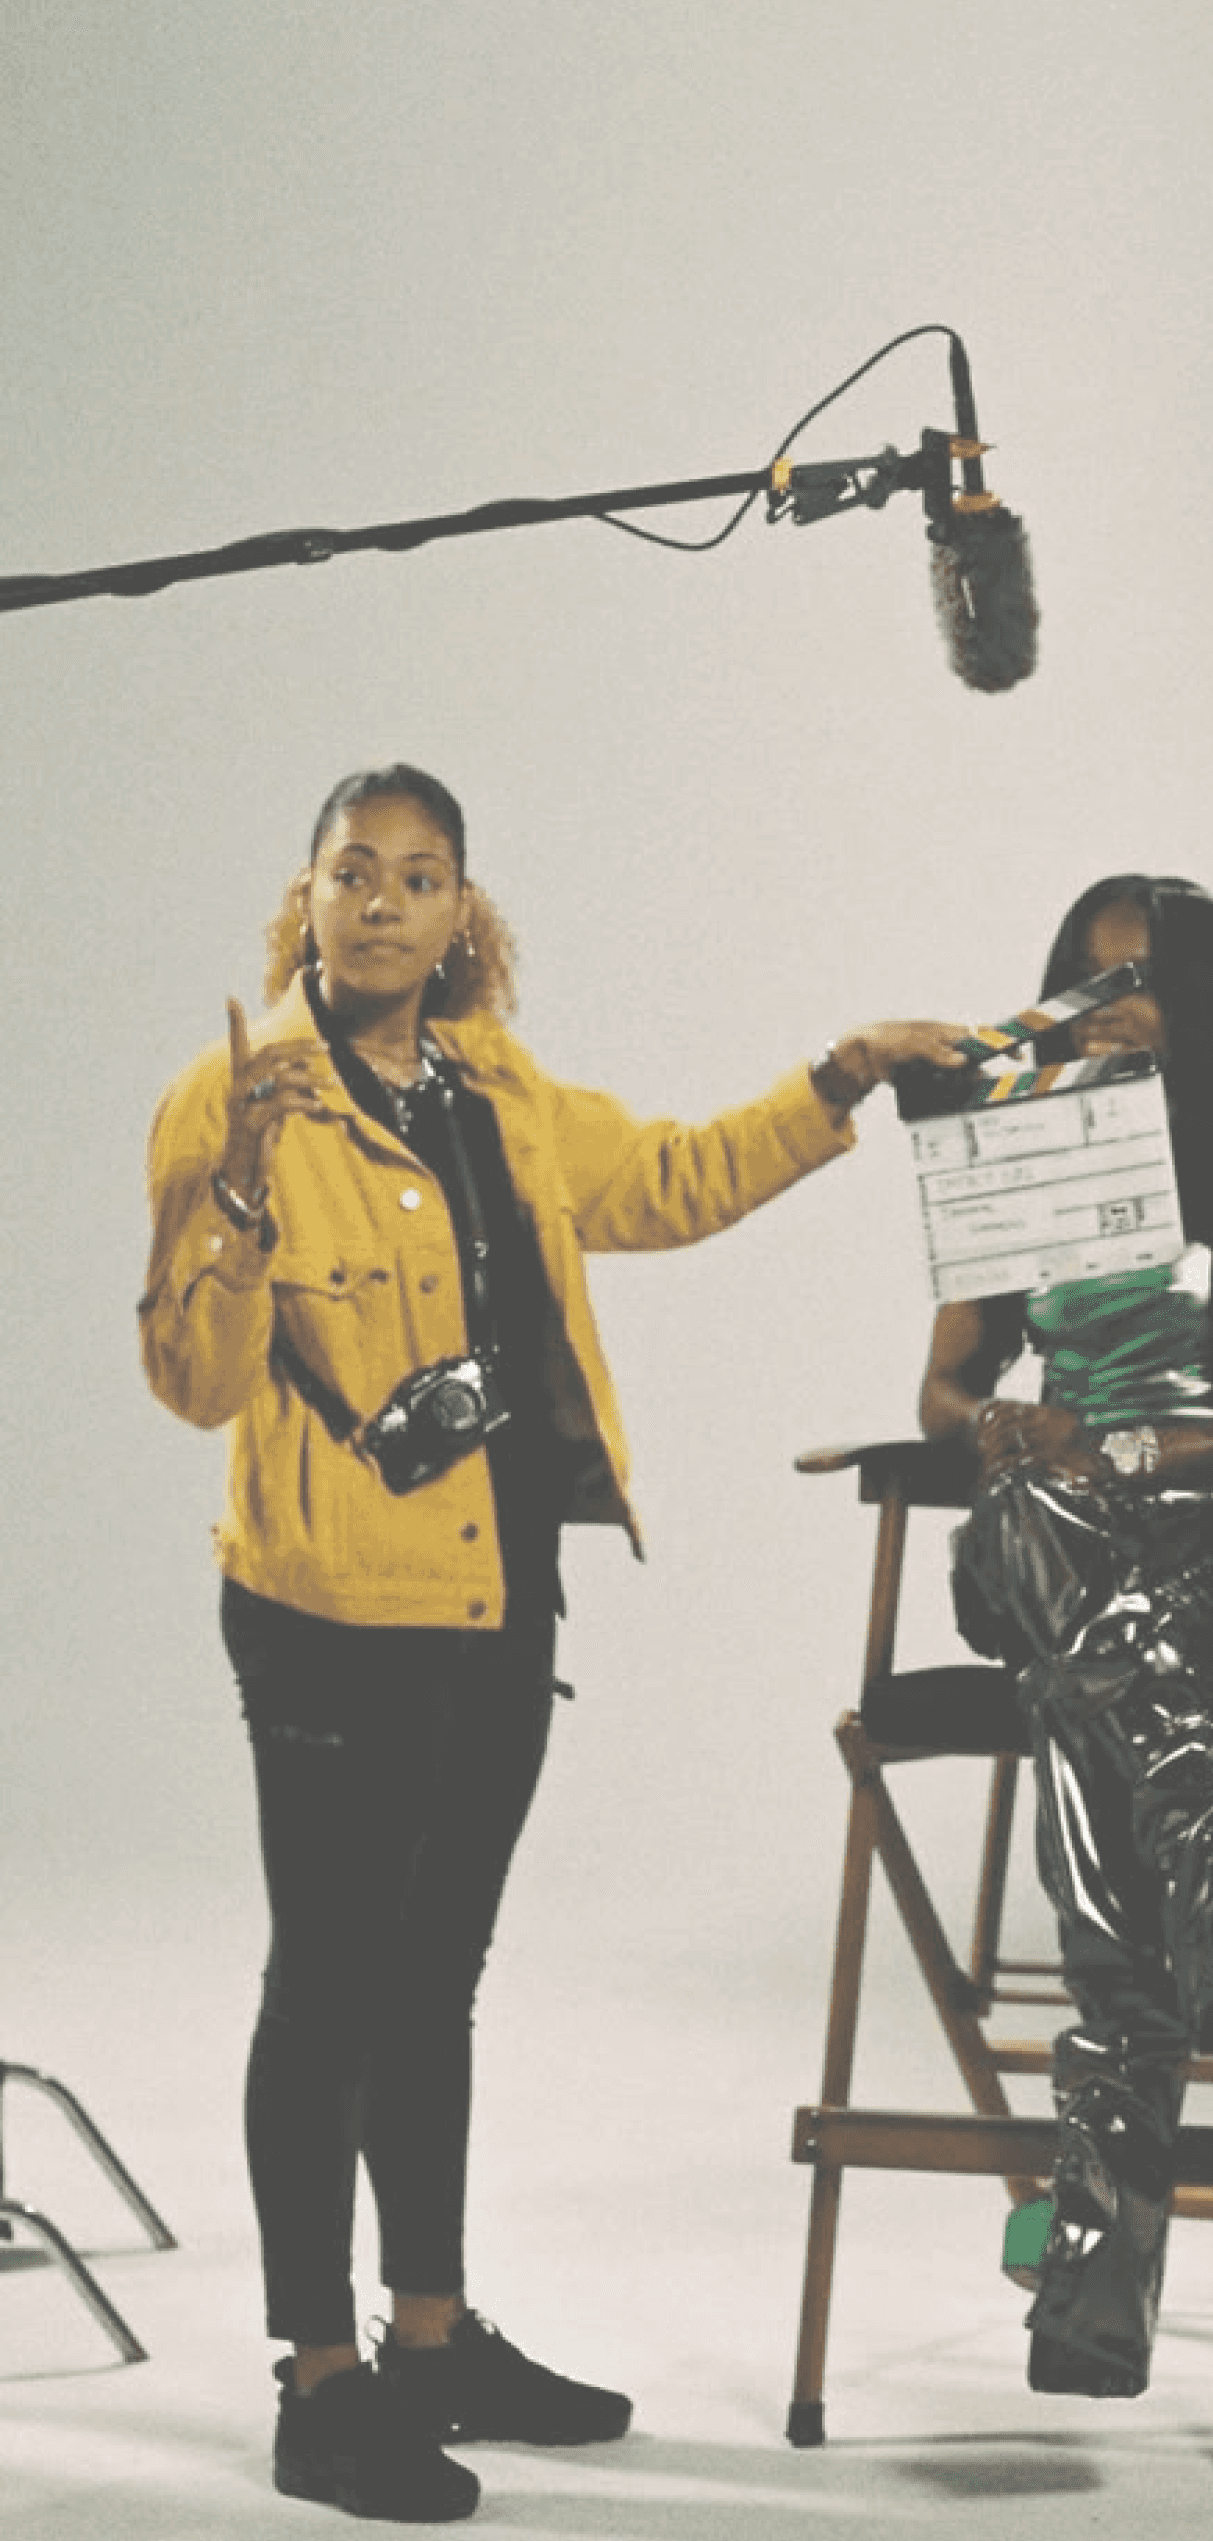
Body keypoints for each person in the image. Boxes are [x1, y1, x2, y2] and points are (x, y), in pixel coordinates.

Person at [139, 763, 965, 2523]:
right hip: (330, 1610)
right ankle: (319, 2382)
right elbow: (193, 1383)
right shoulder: (237, 1097)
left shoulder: (494, 1086)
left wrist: (839, 1076)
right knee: (327, 1991)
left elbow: (668, 1180)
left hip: (500, 1595)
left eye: (420, 874)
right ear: (304, 900)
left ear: (462, 910)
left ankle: (430, 2341)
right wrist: (237, 1198)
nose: (383, 902)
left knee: (432, 1982)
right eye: (353, 871)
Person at [918, 874, 1213, 2400]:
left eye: (1147, 980)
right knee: (1037, 1522)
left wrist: (1146, 1453)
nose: (1114, 1010)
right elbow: (943, 1391)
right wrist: (997, 1427)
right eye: (1091, 979)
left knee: (1084, 1716)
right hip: (1056, 1539)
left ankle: (1095, 2250)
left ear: (1205, 1007)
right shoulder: (1017, 1172)